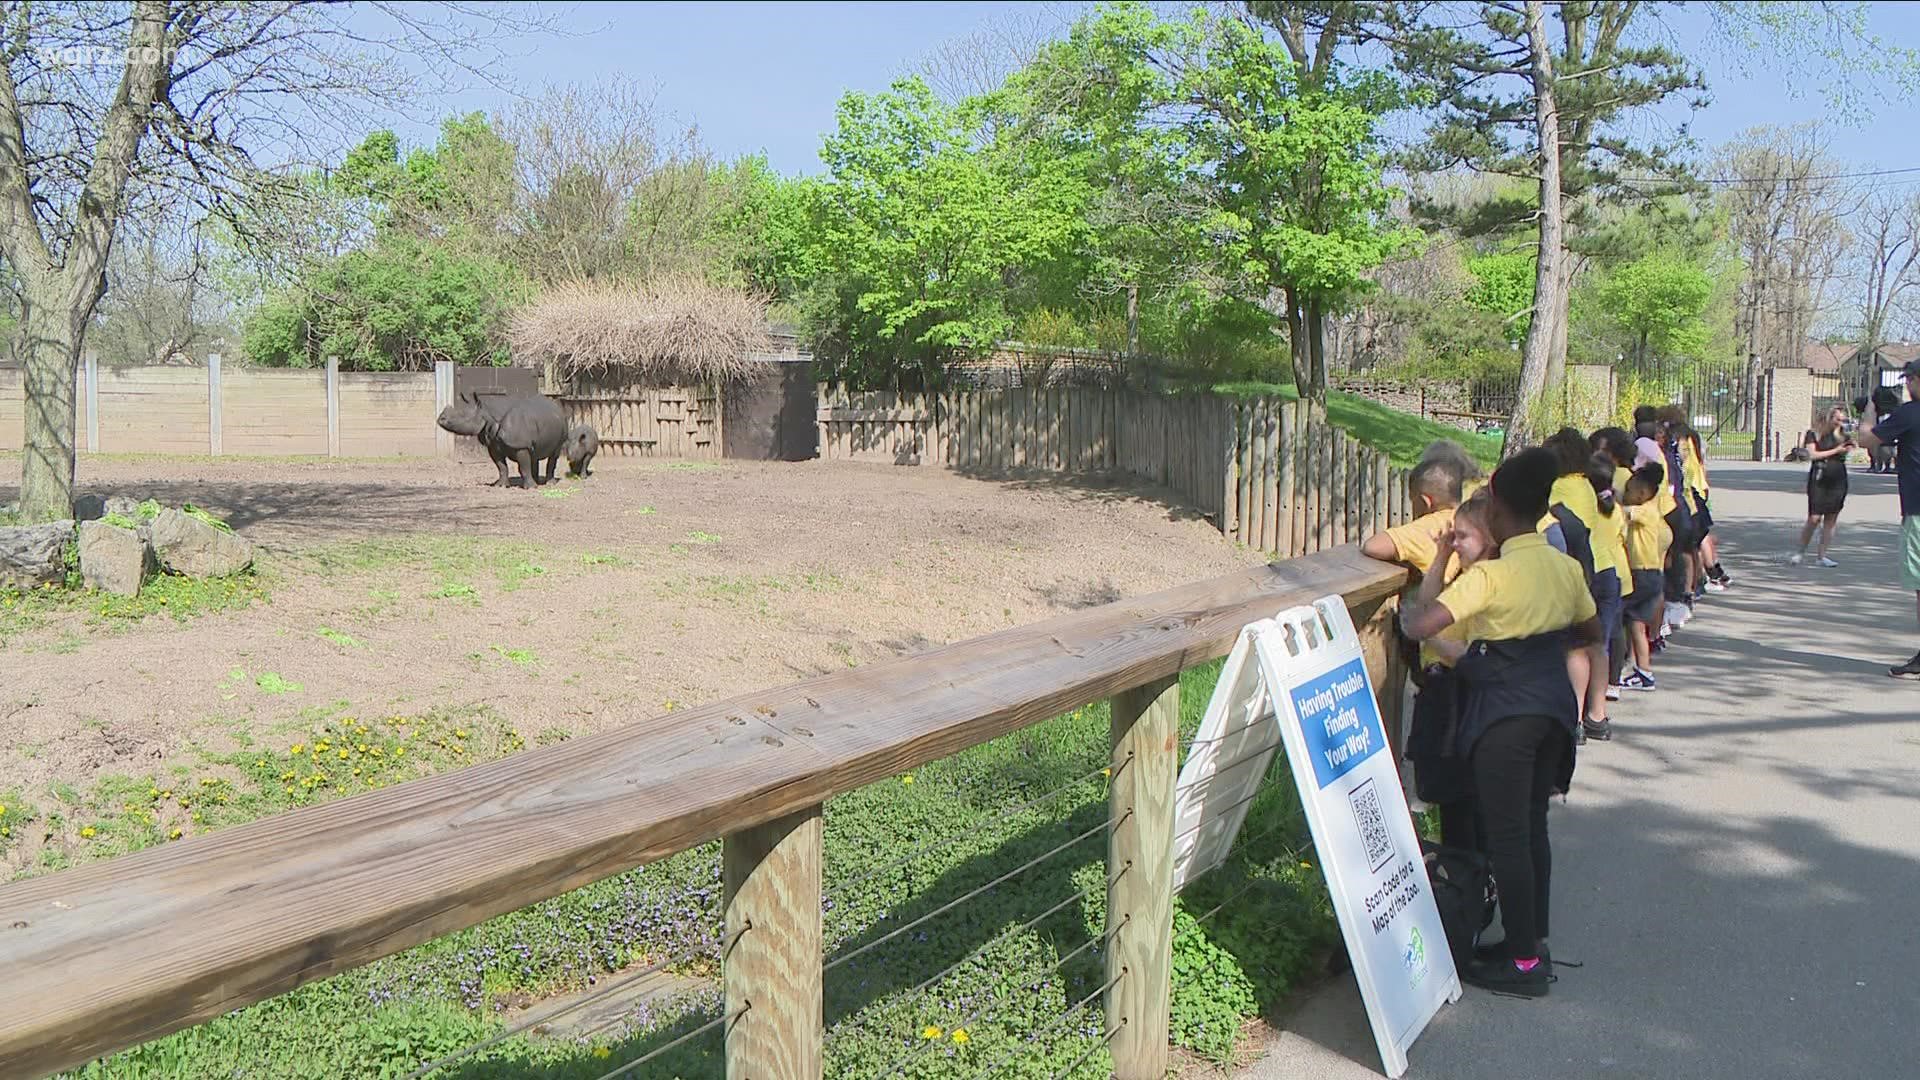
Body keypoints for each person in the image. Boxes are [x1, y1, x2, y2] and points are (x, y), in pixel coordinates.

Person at [1399, 448, 1601, 996]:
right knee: (1533, 831)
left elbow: (1420, 625)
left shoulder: (1492, 578)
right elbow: (1591, 631)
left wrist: (1440, 567)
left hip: (1503, 718)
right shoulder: (1563, 567)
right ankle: (1533, 945)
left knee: (1509, 839)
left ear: (1498, 509)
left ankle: (1524, 965)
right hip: (1552, 710)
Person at [1362, 444, 1483, 848]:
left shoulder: (1429, 527)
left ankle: (1441, 851)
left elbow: (1374, 546)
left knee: (1441, 771)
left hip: (1446, 669)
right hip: (1486, 667)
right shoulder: (1479, 524)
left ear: (1424, 499)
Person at [1856, 360, 1920, 679]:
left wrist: (1869, 411)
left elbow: (1866, 440)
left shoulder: (1910, 414)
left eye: (1910, 380)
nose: (1907, 386)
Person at [1580, 451, 1627, 741]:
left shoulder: (1581, 503)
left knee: (1575, 646)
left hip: (1586, 572)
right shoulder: (1615, 509)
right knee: (1600, 644)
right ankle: (1597, 715)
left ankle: (1575, 717)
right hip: (1609, 572)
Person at [1592, 427, 1640, 699]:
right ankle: (1614, 678)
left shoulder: (1589, 508)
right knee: (1617, 627)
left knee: (1600, 630)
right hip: (1620, 570)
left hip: (1600, 569)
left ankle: (1603, 680)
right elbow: (1624, 534)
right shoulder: (1616, 512)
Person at [1619, 463, 1671, 692]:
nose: (1625, 496)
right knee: (1637, 624)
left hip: (1642, 574)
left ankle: (1617, 665)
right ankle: (1644, 671)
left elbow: (1624, 513)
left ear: (1642, 493)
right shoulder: (1650, 509)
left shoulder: (1646, 510)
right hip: (1652, 575)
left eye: (1628, 491)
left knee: (1618, 614)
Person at [1792, 405, 1853, 568]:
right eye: (1837, 419)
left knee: (1831, 518)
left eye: (1842, 420)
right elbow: (1812, 455)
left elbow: (1846, 452)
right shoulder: (1814, 434)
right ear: (1828, 418)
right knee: (1814, 517)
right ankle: (1800, 552)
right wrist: (1836, 450)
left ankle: (1822, 556)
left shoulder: (1843, 435)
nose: (1839, 423)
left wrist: (1846, 449)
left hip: (1838, 477)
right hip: (1819, 476)